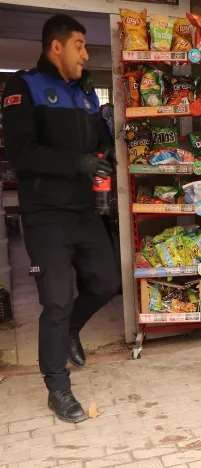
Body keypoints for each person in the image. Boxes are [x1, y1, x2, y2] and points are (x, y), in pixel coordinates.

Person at [2, 15, 118, 423]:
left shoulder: (85, 94)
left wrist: (106, 153)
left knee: (106, 281)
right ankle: (57, 387)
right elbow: (22, 153)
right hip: (45, 213)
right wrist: (78, 163)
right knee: (57, 299)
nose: (85, 54)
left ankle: (71, 329)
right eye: (80, 45)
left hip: (84, 210)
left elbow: (101, 138)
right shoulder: (25, 87)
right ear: (57, 47)